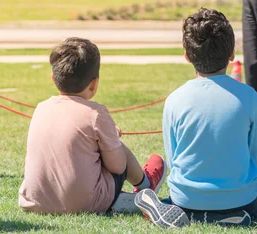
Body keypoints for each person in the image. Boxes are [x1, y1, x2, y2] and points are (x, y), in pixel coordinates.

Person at [135, 8, 257, 227]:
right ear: (232, 53)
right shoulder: (249, 97)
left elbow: (174, 156)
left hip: (187, 199)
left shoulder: (175, 99)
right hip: (240, 199)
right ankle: (224, 216)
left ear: (187, 56)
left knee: (178, 203)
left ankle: (179, 211)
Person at [18, 37, 170, 215]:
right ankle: (145, 184)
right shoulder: (95, 113)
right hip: (84, 204)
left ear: (53, 78)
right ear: (94, 84)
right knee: (118, 148)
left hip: (35, 203)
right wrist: (111, 138)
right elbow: (118, 167)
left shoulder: (41, 108)